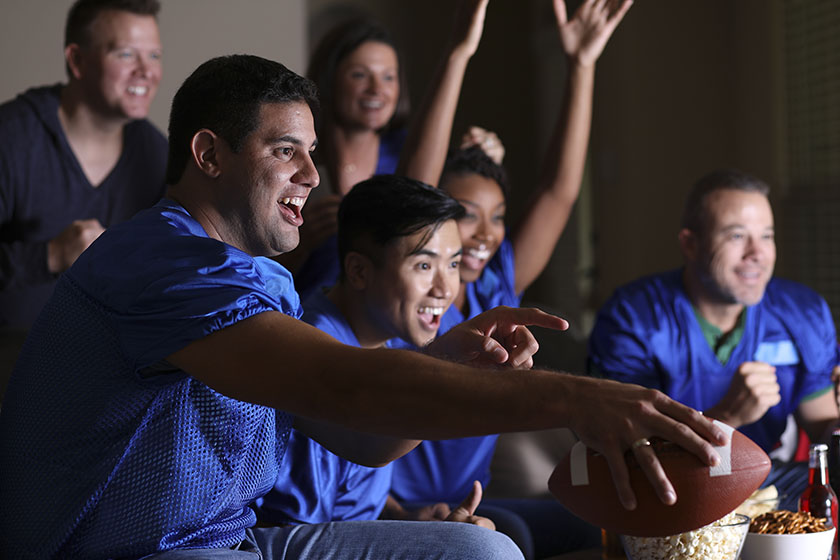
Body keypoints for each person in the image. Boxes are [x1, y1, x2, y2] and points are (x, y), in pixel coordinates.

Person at [0, 54, 727, 559]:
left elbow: (359, 433)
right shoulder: (158, 259)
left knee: (485, 549)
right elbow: (344, 385)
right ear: (209, 154)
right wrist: (574, 399)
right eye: (286, 151)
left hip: (240, 541)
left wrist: (444, 361)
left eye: (312, 152)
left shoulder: (265, 280)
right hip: (130, 551)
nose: (313, 175)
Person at [388, 1, 632, 556]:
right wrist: (459, 52)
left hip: (469, 502)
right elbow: (412, 196)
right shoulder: (415, 295)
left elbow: (559, 193)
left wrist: (582, 66)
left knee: (606, 525)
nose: (484, 233)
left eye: (497, 216)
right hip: (394, 509)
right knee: (512, 540)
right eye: (465, 213)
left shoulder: (497, 285)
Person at [255, 176, 497, 533]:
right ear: (358, 271)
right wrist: (431, 545)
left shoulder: (381, 336)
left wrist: (404, 518)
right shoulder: (321, 354)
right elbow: (298, 533)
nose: (446, 289)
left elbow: (350, 484)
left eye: (453, 265)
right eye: (425, 266)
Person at [588, 169, 840, 511]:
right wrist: (727, 415)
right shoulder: (633, 317)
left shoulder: (802, 311)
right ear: (690, 244)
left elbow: (825, 427)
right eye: (737, 236)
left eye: (766, 236)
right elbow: (630, 454)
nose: (757, 253)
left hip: (764, 482)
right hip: (666, 489)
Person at [284, 0, 489, 300]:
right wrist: (301, 246)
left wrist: (459, 52)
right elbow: (253, 268)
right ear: (330, 80)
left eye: (388, 77)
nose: (377, 89)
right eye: (359, 75)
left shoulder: (412, 153)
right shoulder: (296, 158)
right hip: (306, 324)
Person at [0, 0, 167, 329]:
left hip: (99, 365)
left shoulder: (155, 153)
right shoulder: (11, 137)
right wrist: (51, 256)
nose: (147, 72)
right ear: (77, 60)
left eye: (154, 55)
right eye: (125, 54)